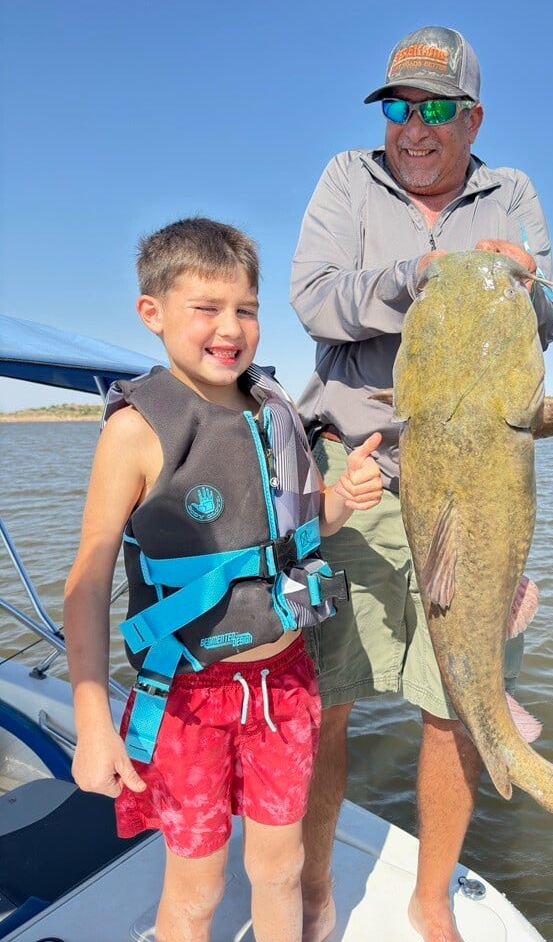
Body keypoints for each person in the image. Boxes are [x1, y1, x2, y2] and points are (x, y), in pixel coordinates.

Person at [289, 26, 553, 942]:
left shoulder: (512, 193)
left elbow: (548, 321)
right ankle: (317, 888)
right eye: (398, 106)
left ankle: (431, 896)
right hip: (351, 474)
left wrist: (526, 287)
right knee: (328, 695)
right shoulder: (345, 177)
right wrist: (419, 276)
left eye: (435, 107)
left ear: (473, 116)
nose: (413, 126)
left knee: (456, 703)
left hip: (477, 476)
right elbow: (314, 297)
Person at [63, 217, 383, 942]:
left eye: (245, 309)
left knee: (278, 867)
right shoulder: (137, 430)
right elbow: (86, 580)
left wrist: (341, 500)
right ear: (153, 313)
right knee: (197, 886)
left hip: (286, 682)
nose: (229, 328)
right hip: (186, 698)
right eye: (205, 309)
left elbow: (298, 532)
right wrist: (91, 724)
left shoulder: (276, 412)